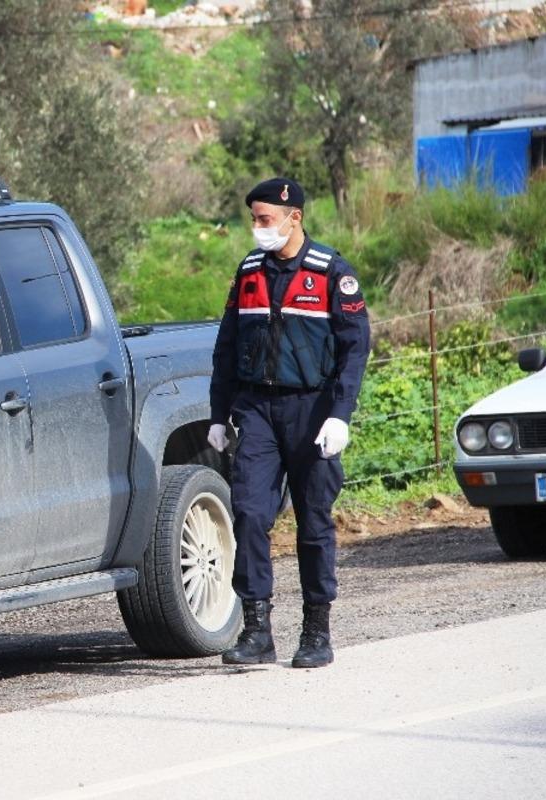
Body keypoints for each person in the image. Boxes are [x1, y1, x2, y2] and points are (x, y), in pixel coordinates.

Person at [207, 177, 369, 669]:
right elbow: (227, 348)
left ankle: (316, 632)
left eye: (264, 220)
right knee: (251, 513)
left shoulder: (330, 273)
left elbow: (355, 348)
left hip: (313, 412)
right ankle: (257, 630)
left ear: (293, 217)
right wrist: (218, 415)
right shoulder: (250, 270)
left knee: (313, 522)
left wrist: (340, 414)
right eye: (253, 220)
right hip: (257, 410)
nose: (257, 229)